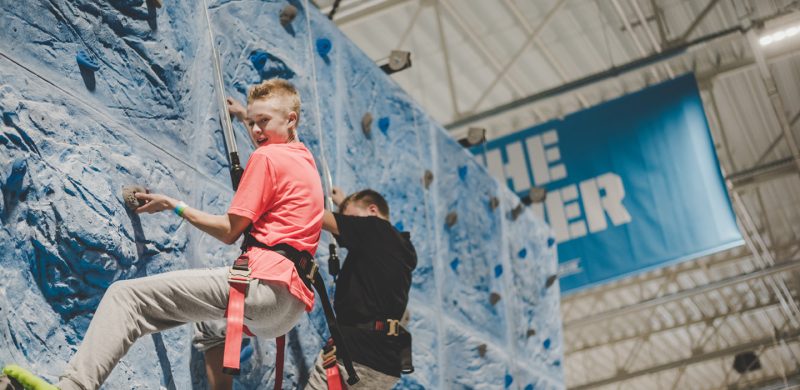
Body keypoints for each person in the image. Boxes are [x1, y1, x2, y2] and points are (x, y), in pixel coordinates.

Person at [3, 78, 322, 390]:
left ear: (290, 119)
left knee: (126, 299)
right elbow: (275, 135)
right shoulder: (304, 161)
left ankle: (72, 386)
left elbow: (229, 231)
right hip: (288, 309)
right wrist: (246, 115)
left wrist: (174, 205)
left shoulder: (267, 156)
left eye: (261, 121)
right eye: (251, 123)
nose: (254, 131)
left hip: (263, 286)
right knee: (209, 325)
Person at [305, 188, 417, 389]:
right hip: (386, 365)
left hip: (355, 354)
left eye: (353, 218)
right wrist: (345, 203)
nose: (351, 225)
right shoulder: (402, 249)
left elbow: (315, 215)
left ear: (373, 211)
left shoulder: (374, 227)